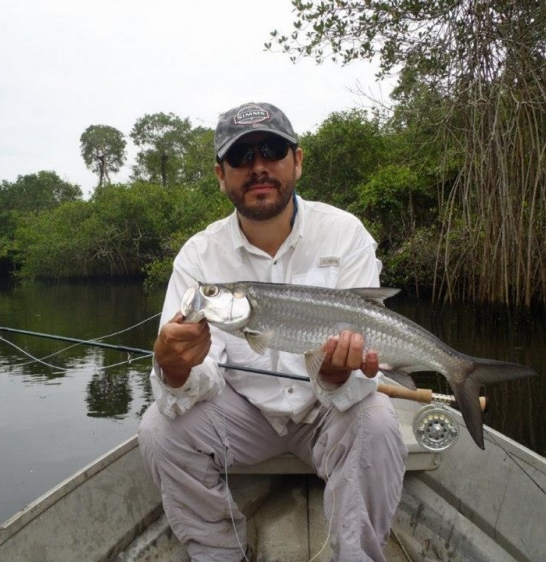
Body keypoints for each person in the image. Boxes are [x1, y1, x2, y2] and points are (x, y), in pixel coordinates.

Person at [138, 102, 407, 562]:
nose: (258, 166)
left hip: (326, 411)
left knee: (378, 420)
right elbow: (197, 381)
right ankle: (220, 555)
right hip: (243, 416)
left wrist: (339, 375)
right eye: (241, 157)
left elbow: (361, 379)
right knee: (159, 428)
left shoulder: (346, 235)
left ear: (297, 160)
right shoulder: (198, 256)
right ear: (220, 174)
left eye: (272, 150)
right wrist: (174, 371)